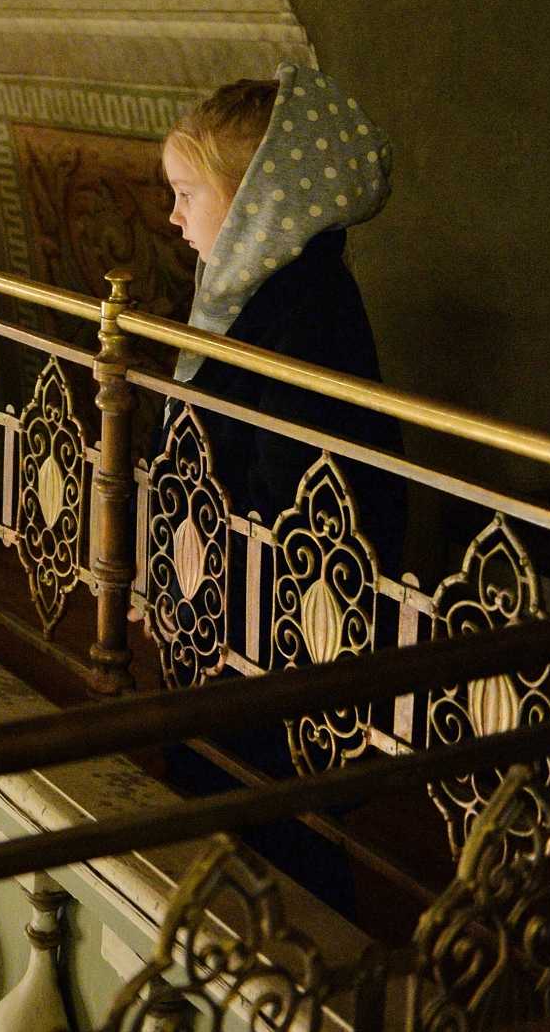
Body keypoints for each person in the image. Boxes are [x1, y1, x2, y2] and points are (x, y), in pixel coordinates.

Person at [157, 64, 398, 916]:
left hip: (274, 628)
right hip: (233, 615)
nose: (175, 216)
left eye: (189, 193)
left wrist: (215, 579)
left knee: (274, 833)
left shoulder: (302, 308)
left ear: (255, 197)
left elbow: (298, 488)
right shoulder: (261, 296)